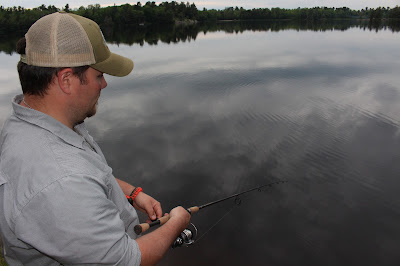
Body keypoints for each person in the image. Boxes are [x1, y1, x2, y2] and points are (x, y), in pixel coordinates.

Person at [0, 12, 191, 265]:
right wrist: (177, 223)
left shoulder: (35, 120)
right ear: (66, 80)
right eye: (99, 76)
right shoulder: (60, 180)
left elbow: (90, 174)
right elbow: (125, 261)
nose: (104, 85)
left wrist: (133, 194)